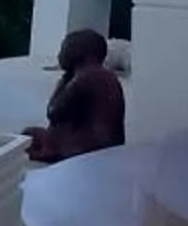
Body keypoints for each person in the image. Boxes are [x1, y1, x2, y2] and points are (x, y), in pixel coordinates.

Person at [25, 28, 126, 164]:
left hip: (84, 150)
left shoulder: (85, 77)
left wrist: (63, 81)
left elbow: (53, 112)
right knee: (30, 134)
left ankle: (49, 152)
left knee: (25, 142)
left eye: (63, 50)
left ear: (79, 52)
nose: (59, 56)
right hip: (100, 146)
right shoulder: (103, 75)